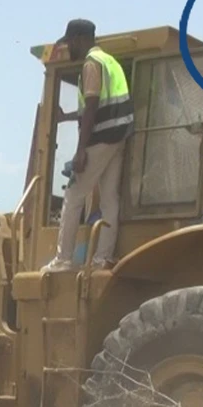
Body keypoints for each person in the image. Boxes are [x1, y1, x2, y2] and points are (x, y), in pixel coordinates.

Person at [45, 18, 133, 272]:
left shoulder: (91, 64)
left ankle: (63, 259)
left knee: (74, 195)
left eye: (71, 41)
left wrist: (81, 150)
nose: (69, 47)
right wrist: (69, 116)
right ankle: (102, 257)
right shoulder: (110, 62)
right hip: (119, 136)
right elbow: (100, 105)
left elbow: (93, 105)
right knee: (108, 198)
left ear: (81, 39)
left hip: (101, 137)